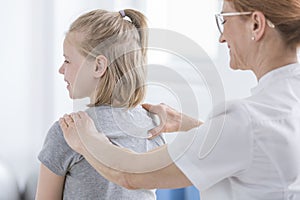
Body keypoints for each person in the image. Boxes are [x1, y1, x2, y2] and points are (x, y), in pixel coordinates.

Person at [60, 0, 300, 199]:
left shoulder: (246, 120)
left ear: (256, 24)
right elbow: (258, 149)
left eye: (224, 20)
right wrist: (187, 123)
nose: (222, 37)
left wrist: (87, 140)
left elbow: (130, 175)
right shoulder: (284, 103)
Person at [35, 9, 165, 200]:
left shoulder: (68, 132)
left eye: (67, 60)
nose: (61, 69)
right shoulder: (153, 129)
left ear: (98, 67)